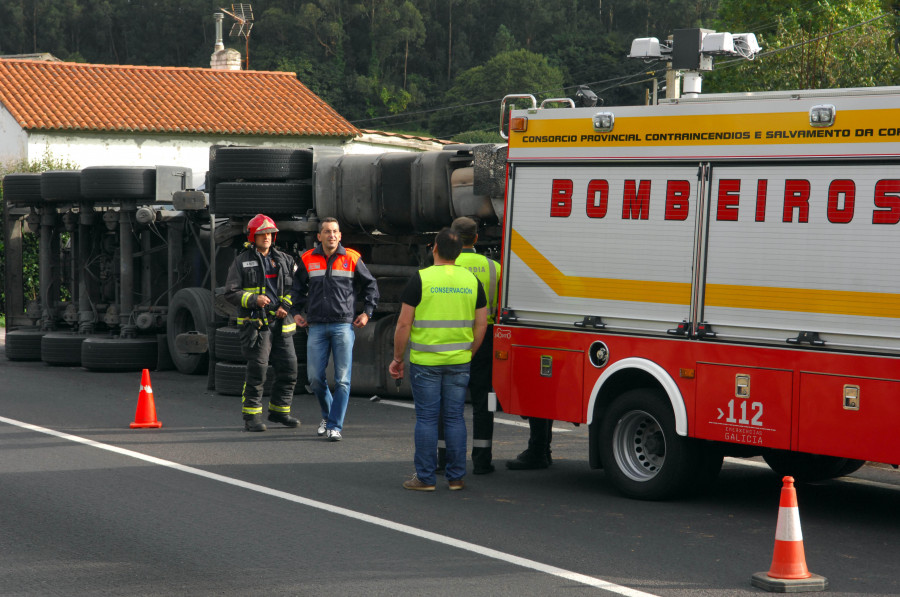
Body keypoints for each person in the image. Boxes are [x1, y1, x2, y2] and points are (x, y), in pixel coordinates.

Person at [390, 228, 488, 491]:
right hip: (459, 361)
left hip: (426, 363)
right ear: (459, 252)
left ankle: (425, 478)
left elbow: (403, 324)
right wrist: (469, 352)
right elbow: (481, 324)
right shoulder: (471, 281)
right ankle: (456, 478)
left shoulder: (421, 279)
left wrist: (397, 358)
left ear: (434, 248)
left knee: (427, 419)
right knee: (455, 418)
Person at [292, 217, 379, 442]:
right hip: (317, 326)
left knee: (342, 380)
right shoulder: (307, 258)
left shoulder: (351, 258)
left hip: (343, 325)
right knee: (315, 379)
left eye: (335, 232)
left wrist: (367, 313)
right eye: (327, 232)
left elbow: (371, 285)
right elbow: (297, 288)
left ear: (340, 236)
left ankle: (334, 426)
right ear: (318, 236)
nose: (332, 235)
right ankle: (328, 415)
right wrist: (297, 312)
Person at [224, 214, 300, 432]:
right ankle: (251, 417)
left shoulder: (286, 260)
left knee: (289, 369)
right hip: (257, 324)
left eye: (269, 233)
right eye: (261, 234)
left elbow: (298, 287)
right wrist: (253, 300)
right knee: (258, 371)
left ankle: (280, 411)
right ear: (253, 236)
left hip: (283, 323)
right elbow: (230, 292)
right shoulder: (241, 261)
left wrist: (287, 305)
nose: (266, 237)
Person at [436, 217, 500, 474]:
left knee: (448, 401)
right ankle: (483, 461)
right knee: (486, 400)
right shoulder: (495, 267)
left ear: (452, 237)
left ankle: (444, 459)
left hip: (451, 337)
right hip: (487, 339)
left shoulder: (443, 266)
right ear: (476, 238)